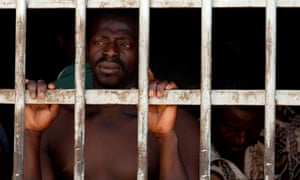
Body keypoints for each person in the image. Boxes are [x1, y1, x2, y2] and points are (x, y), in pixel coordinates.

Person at [24, 10, 200, 179]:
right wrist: (31, 134)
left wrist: (165, 137)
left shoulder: (179, 122)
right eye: (100, 42)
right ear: (85, 49)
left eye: (124, 44)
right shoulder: (55, 122)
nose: (110, 51)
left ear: (142, 52)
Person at [210, 104, 300, 179]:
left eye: (253, 129)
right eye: (231, 129)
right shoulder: (199, 145)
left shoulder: (285, 134)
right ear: (212, 117)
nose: (242, 140)